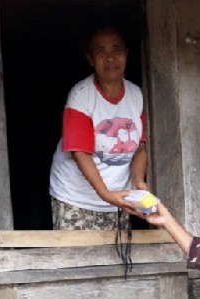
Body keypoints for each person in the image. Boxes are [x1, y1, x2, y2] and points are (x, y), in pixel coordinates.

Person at [49, 26, 146, 230]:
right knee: (78, 260)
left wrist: (138, 182)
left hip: (118, 198)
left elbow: (140, 148)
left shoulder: (137, 96)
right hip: (76, 197)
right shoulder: (81, 96)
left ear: (126, 54)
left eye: (116, 50)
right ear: (91, 59)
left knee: (115, 260)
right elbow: (80, 153)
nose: (110, 58)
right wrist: (106, 194)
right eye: (101, 52)